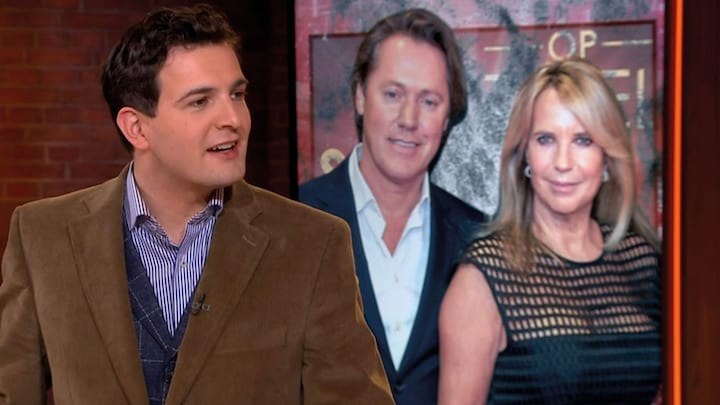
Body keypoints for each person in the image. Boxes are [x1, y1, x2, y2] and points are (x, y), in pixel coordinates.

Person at [0, 4, 395, 405]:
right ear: (137, 127)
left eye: (237, 95)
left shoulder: (312, 243)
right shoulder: (43, 236)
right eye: (200, 101)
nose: (233, 119)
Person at [438, 57, 662, 404]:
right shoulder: (482, 277)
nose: (562, 162)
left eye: (583, 140)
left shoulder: (643, 262)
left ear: (606, 156)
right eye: (545, 139)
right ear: (524, 154)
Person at [299, 8, 488, 405]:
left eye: (429, 101)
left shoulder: (478, 238)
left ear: (447, 118)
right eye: (393, 94)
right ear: (360, 96)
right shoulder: (294, 219)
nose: (409, 119)